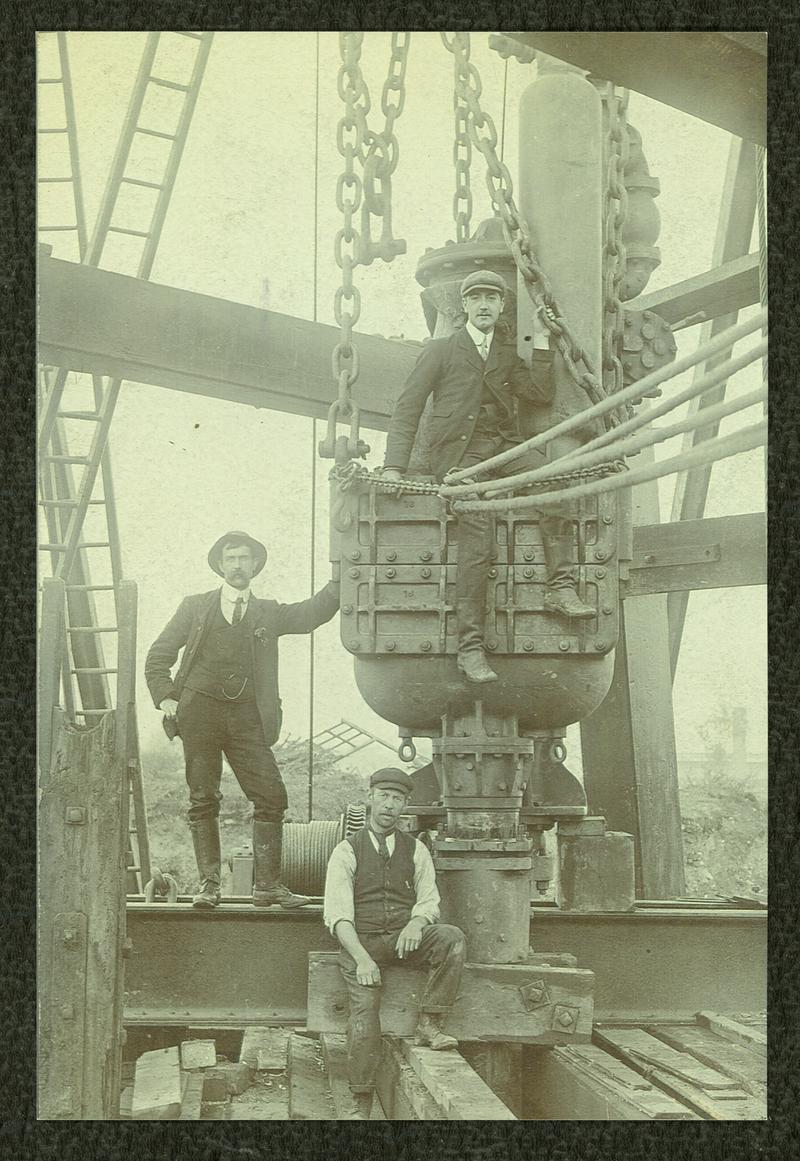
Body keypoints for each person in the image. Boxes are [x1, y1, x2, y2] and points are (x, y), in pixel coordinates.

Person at [383, 269, 594, 684]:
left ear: (500, 307)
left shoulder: (503, 354)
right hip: (461, 456)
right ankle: (470, 647)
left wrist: (543, 338)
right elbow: (408, 408)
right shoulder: (440, 351)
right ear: (464, 306)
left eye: (491, 299)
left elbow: (540, 394)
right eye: (476, 298)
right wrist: (394, 465)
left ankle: (560, 588)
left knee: (554, 481)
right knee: (478, 535)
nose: (483, 305)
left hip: (502, 448)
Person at [144, 530, 339, 910]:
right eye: (230, 558)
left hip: (248, 717)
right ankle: (209, 886)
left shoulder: (269, 611)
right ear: (220, 565)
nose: (237, 565)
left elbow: (312, 612)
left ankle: (267, 886)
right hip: (199, 712)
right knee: (202, 798)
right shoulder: (195, 606)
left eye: (244, 558)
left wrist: (343, 578)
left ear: (254, 565)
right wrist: (167, 697)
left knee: (271, 796)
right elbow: (159, 655)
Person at [323, 768, 466, 1117]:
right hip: (363, 945)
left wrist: (416, 923)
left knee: (451, 938)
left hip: (403, 939)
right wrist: (362, 959)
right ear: (369, 797)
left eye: (398, 799)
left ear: (405, 805)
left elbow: (429, 900)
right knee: (365, 1015)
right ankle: (360, 1103)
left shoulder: (416, 850)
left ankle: (429, 1023)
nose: (390, 805)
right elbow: (338, 917)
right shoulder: (346, 851)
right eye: (384, 796)